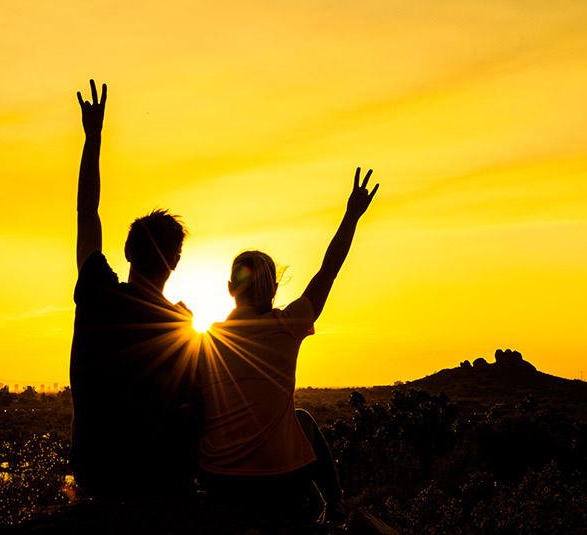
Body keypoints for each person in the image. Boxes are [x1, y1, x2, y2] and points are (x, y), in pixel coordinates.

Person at [198, 168, 379, 522]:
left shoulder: (206, 342)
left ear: (230, 289)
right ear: (274, 289)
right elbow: (329, 270)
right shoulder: (287, 326)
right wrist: (351, 216)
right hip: (278, 481)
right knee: (303, 420)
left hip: (219, 481)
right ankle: (335, 504)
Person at [69, 80, 201, 499]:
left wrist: (93, 139)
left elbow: (86, 212)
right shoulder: (182, 324)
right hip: (159, 476)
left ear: (127, 250)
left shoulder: (97, 292)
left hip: (95, 471)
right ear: (177, 263)